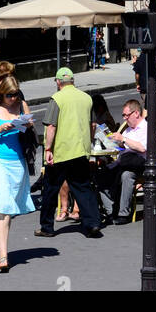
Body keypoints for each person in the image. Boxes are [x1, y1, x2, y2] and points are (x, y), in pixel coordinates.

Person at [34, 68, 102, 240]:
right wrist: (89, 141)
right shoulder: (86, 98)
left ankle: (47, 227)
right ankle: (93, 223)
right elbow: (93, 125)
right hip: (80, 150)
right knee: (83, 187)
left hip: (61, 151)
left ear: (58, 82)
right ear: (73, 81)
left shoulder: (57, 98)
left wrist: (48, 149)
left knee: (50, 189)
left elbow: (51, 126)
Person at [0, 75, 36, 272]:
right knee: (3, 206)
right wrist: (1, 129)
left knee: (9, 210)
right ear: (2, 93)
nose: (13, 99)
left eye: (15, 95)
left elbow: (31, 126)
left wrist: (27, 124)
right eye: (9, 95)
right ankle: (4, 257)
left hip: (18, 162)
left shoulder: (22, 105)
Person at [98, 98, 148, 224]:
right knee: (100, 175)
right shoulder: (128, 129)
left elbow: (142, 147)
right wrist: (115, 142)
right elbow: (122, 148)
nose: (124, 118)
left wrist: (124, 139)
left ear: (136, 113)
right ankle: (111, 210)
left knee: (127, 175)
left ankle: (123, 213)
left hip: (139, 164)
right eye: (123, 115)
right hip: (124, 162)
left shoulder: (146, 128)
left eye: (126, 115)